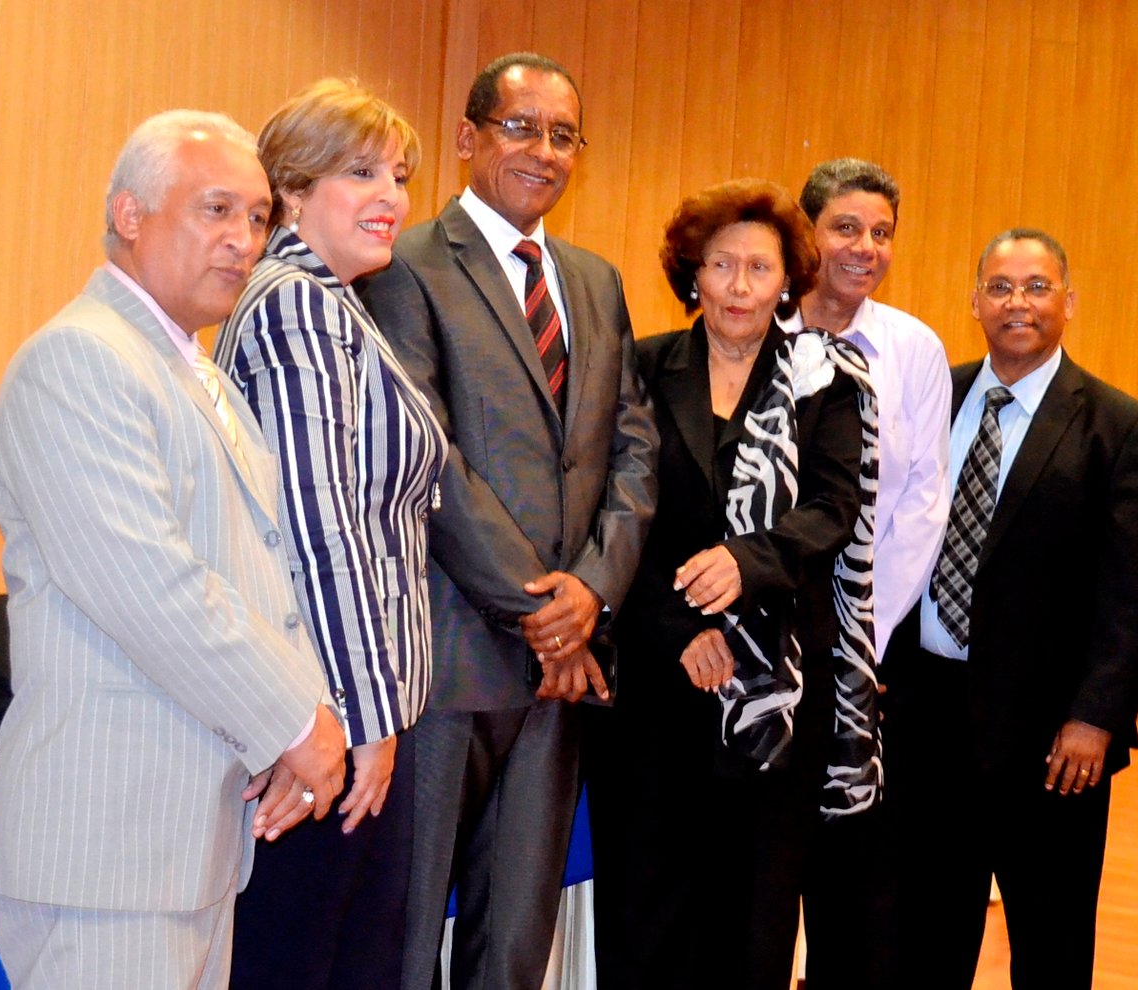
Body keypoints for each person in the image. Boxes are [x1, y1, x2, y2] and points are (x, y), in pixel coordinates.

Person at [0, 110, 346, 990]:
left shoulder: (195, 371)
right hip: (108, 850)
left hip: (186, 841)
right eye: (216, 210)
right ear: (131, 215)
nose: (243, 240)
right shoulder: (79, 359)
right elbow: (153, 589)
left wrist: (293, 730)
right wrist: (299, 723)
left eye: (258, 218)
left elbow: (262, 576)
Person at [356, 52, 658, 990]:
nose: (544, 151)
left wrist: (592, 594)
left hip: (560, 679)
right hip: (447, 662)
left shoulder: (595, 280)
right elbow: (428, 459)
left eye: (563, 135)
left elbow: (631, 453)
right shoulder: (402, 266)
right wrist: (539, 609)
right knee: (407, 941)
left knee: (516, 944)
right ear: (467, 137)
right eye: (521, 127)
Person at [585, 178, 880, 990]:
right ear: (693, 274)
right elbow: (611, 514)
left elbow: (834, 508)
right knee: (645, 910)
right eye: (722, 265)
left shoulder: (827, 380)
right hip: (654, 679)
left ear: (790, 279)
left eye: (760, 267)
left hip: (778, 684)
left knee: (750, 920)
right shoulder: (642, 367)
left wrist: (744, 567)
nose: (741, 286)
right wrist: (684, 628)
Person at [889, 228, 1138, 988]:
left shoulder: (1123, 427)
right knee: (922, 936)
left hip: (1054, 739)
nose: (1019, 303)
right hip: (926, 721)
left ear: (1069, 304)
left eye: (1038, 287)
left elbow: (1133, 593)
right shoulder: (926, 401)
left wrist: (1097, 716)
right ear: (974, 300)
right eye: (1002, 287)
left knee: (1049, 945)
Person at [213, 79, 446, 989]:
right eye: (362, 173)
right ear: (293, 193)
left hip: (341, 710)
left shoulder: (332, 304)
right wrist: (365, 719)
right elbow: (322, 525)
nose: (393, 196)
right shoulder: (298, 307)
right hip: (331, 720)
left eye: (398, 175)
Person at [781, 158, 950, 988]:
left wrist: (865, 639)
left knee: (859, 875)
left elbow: (924, 504)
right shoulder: (761, 328)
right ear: (807, 233)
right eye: (846, 228)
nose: (866, 248)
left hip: (872, 650)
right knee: (768, 868)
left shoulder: (912, 347)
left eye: (882, 233)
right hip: (767, 640)